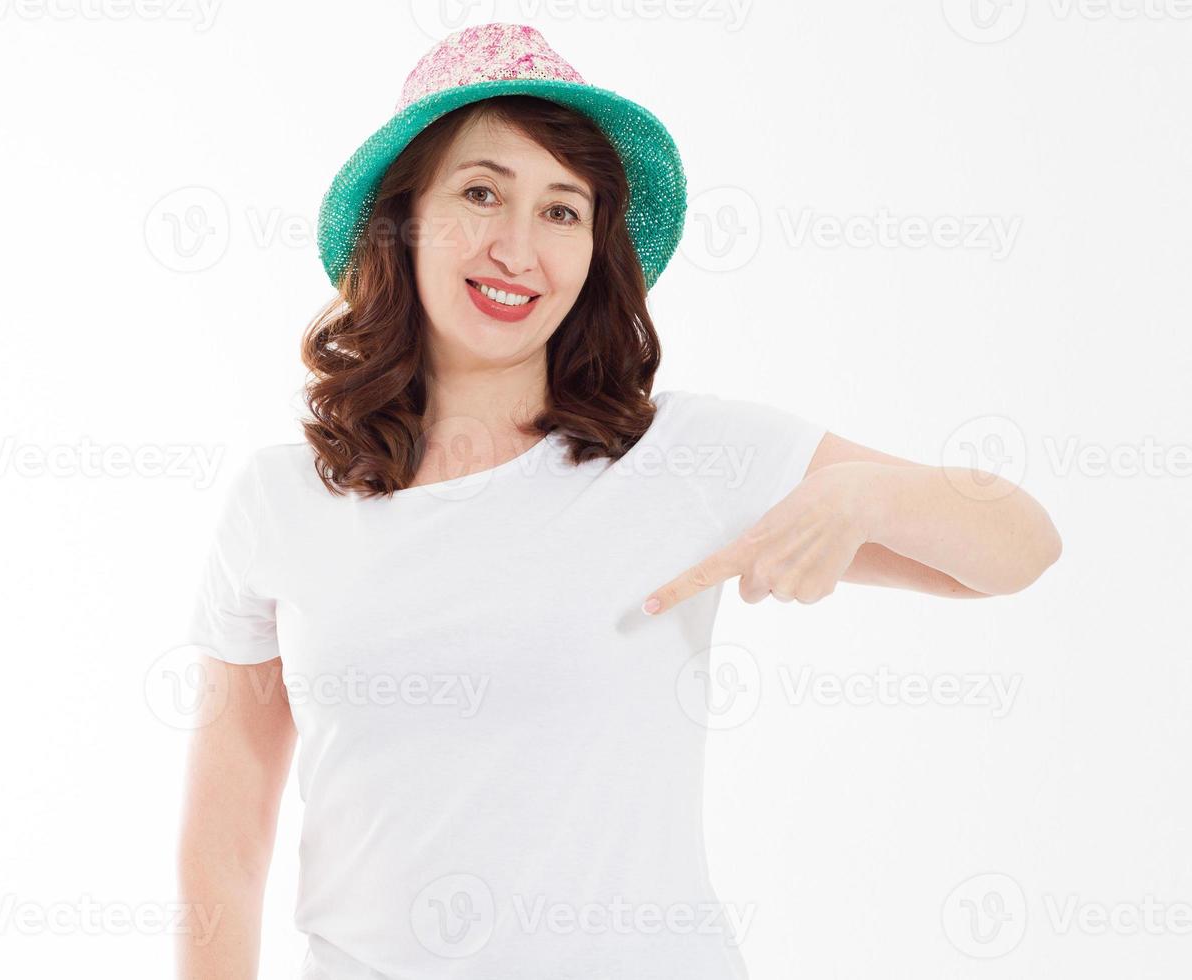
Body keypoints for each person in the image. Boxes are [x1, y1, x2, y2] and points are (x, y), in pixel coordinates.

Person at [175, 23, 1060, 980]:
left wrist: (863, 494)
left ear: (594, 252)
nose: (518, 248)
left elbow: (1018, 546)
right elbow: (223, 850)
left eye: (562, 211)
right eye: (481, 193)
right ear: (404, 220)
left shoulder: (685, 455)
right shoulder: (279, 498)